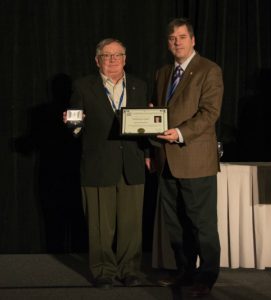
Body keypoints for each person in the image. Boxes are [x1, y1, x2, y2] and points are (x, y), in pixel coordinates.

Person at [63, 38, 150, 289]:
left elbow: (147, 122)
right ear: (97, 60)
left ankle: (130, 270)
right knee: (100, 224)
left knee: (131, 224)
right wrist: (74, 125)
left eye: (117, 55)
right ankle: (103, 271)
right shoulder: (83, 86)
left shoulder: (138, 86)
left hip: (132, 163)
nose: (112, 60)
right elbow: (75, 124)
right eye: (106, 56)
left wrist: (149, 151)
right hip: (97, 164)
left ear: (125, 59)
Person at [152, 18, 224, 297]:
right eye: (172, 38)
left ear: (193, 40)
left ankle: (206, 277)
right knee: (175, 222)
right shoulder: (162, 73)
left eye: (182, 37)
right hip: (166, 160)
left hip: (195, 159)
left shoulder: (209, 70)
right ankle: (185, 270)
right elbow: (157, 112)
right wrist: (151, 146)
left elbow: (210, 113)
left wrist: (181, 133)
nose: (177, 42)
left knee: (202, 223)